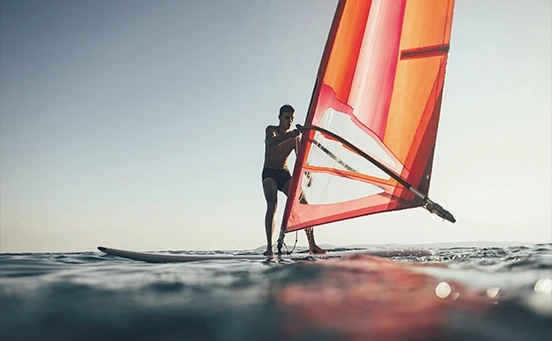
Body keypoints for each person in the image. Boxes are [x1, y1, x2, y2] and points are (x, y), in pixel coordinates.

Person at [261, 104, 326, 256]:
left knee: (303, 202)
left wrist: (308, 174)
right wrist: (291, 135)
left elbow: (300, 158)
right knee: (272, 204)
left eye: (292, 118)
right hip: (269, 173)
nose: (289, 121)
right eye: (286, 118)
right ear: (279, 118)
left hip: (284, 173)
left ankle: (312, 245)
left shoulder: (295, 138)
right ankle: (269, 248)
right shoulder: (271, 130)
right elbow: (271, 143)